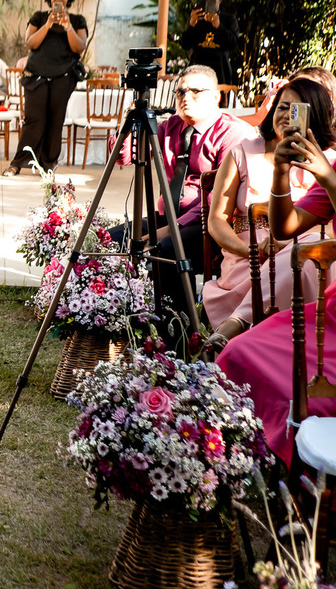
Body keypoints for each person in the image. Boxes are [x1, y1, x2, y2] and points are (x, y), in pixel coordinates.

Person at [216, 113, 336, 466]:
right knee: (239, 353)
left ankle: (300, 471)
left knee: (302, 389)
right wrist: (281, 173)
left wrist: (330, 179)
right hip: (329, 315)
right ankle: (223, 462)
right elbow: (285, 228)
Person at [111, 65, 254, 310]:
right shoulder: (169, 127)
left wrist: (170, 230)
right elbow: (124, 157)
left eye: (196, 91)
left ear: (215, 96)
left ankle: (180, 330)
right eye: (180, 92)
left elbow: (218, 198)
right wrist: (127, 125)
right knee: (112, 239)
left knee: (166, 248)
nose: (186, 97)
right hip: (166, 217)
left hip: (209, 225)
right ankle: (122, 318)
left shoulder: (234, 133)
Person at [204, 78, 335, 344]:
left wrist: (281, 244)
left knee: (305, 256)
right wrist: (252, 252)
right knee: (293, 263)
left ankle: (238, 323)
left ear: (316, 116)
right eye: (282, 107)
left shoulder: (328, 162)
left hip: (305, 257)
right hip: (247, 256)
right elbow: (216, 220)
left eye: (298, 111)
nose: (288, 116)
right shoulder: (242, 152)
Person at [3, 0, 88, 176]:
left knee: (55, 120)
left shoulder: (77, 21)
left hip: (64, 76)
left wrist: (67, 27)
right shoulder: (39, 17)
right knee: (34, 119)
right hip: (36, 75)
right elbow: (30, 43)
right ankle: (19, 162)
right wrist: (49, 24)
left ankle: (48, 164)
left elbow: (79, 47)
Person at [181, 0, 241, 86]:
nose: (208, 2)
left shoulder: (228, 20)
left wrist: (219, 27)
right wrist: (191, 25)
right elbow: (185, 44)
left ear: (219, 0)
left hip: (220, 74)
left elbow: (233, 44)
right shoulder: (196, 19)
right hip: (196, 74)